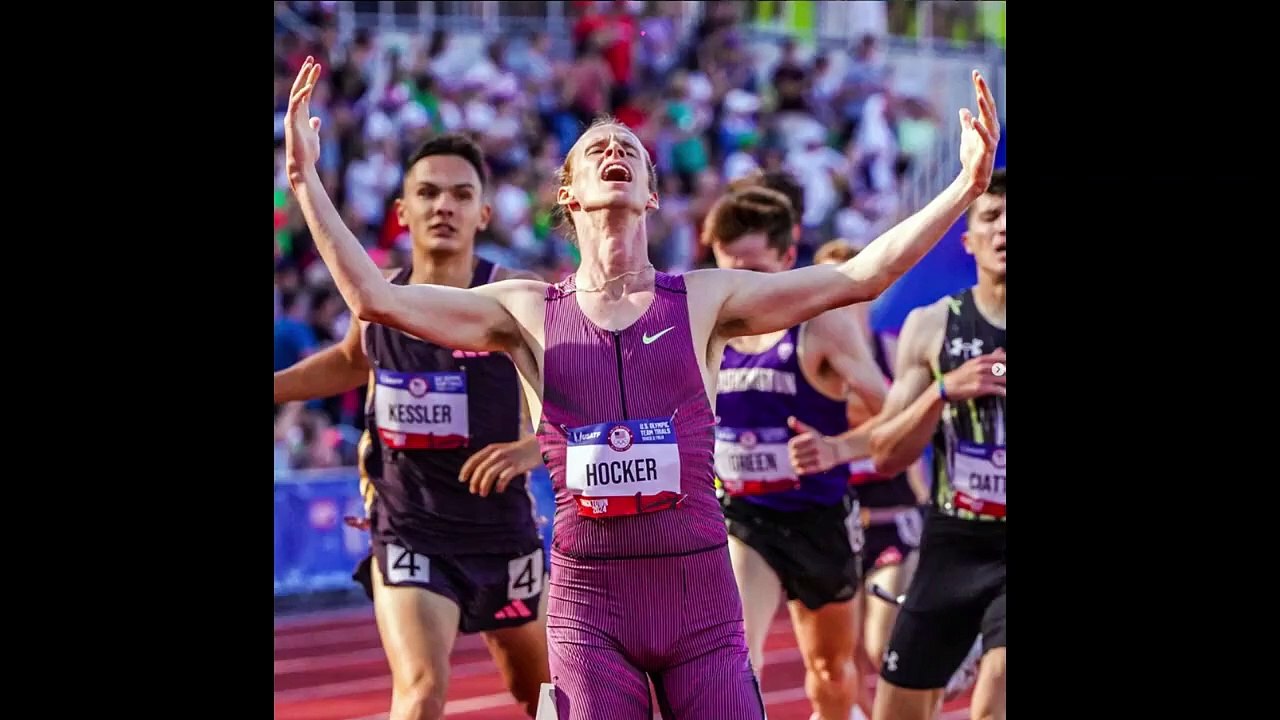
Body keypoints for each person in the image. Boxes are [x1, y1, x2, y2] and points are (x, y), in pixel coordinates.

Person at [282, 56, 999, 719]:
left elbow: (861, 276)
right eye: (596, 148)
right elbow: (375, 299)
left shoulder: (704, 298)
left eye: (629, 148)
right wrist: (306, 179)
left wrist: (963, 187)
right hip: (589, 606)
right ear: (569, 193)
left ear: (652, 194)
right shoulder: (524, 309)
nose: (614, 151)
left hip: (700, 601)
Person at [273, 134, 551, 720]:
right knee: (421, 689)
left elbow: (587, 392)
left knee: (548, 697)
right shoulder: (379, 298)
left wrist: (536, 446)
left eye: (460, 194)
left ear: (484, 213)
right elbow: (351, 361)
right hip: (409, 529)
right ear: (402, 211)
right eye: (428, 193)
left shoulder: (517, 296)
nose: (443, 206)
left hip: (501, 531)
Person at [794, 170, 1005, 720]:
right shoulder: (932, 326)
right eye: (991, 216)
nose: (1004, 228)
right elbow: (888, 452)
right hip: (954, 540)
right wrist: (942, 391)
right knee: (897, 710)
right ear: (969, 241)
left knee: (995, 699)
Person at [702, 187, 889, 720]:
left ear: (788, 258)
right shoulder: (706, 326)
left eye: (755, 272)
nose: (741, 287)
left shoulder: (821, 325)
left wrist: (838, 448)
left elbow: (898, 415)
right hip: (745, 517)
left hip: (819, 518)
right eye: (730, 270)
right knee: (735, 658)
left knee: (830, 671)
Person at [810, 238, 929, 693]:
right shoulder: (808, 360)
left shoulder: (892, 350)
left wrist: (925, 500)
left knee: (884, 649)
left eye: (850, 280)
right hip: (833, 524)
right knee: (836, 662)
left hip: (892, 520)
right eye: (827, 282)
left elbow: (915, 427)